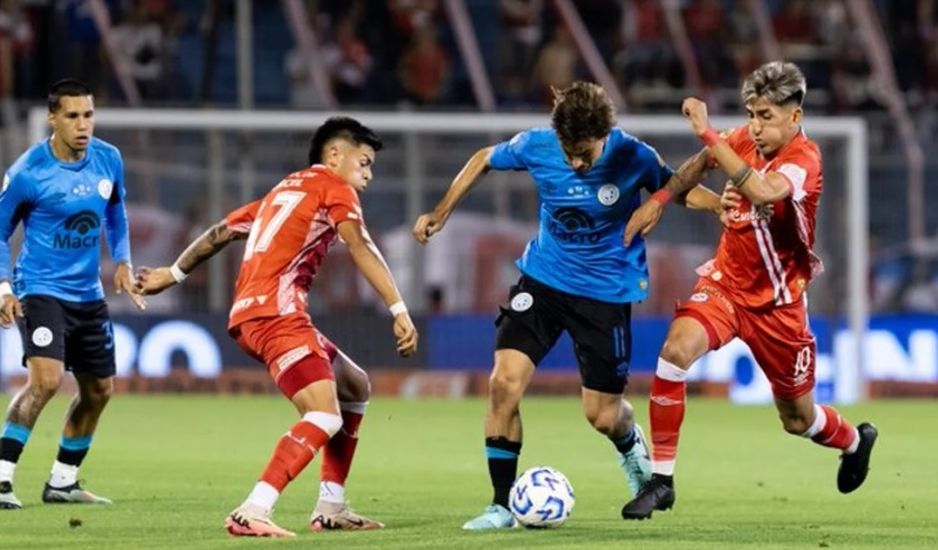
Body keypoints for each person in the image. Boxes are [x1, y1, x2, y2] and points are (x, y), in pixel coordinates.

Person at [414, 81, 706, 530]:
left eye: (583, 153)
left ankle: (630, 447)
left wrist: (723, 205)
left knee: (602, 415)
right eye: (567, 151)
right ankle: (500, 505)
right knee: (503, 384)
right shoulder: (537, 145)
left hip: (605, 294)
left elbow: (678, 190)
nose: (573, 162)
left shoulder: (634, 156)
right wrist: (442, 211)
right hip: (544, 280)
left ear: (606, 134)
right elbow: (482, 159)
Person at [135, 117, 418, 538]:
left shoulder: (281, 192)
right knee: (323, 413)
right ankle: (252, 510)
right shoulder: (333, 188)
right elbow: (360, 245)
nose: (368, 175)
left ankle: (330, 506)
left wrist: (172, 274)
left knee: (354, 386)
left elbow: (218, 233)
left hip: (252, 314)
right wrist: (398, 309)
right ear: (334, 155)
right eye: (364, 162)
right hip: (276, 315)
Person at [620, 61, 878, 520]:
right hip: (725, 287)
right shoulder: (738, 140)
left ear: (794, 117)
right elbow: (687, 177)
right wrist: (659, 202)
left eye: (766, 116)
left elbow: (761, 190)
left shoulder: (805, 161)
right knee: (674, 353)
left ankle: (856, 441)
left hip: (778, 305)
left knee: (797, 420)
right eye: (752, 114)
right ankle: (661, 481)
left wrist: (708, 133)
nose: (755, 127)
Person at [0, 78, 144, 509]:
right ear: (52, 119)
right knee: (47, 381)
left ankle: (63, 482)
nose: (82, 125)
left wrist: (123, 261)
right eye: (72, 116)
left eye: (88, 115)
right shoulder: (28, 172)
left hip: (87, 294)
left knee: (99, 390)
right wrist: (3, 289)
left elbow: (116, 213)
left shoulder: (109, 159)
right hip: (40, 289)